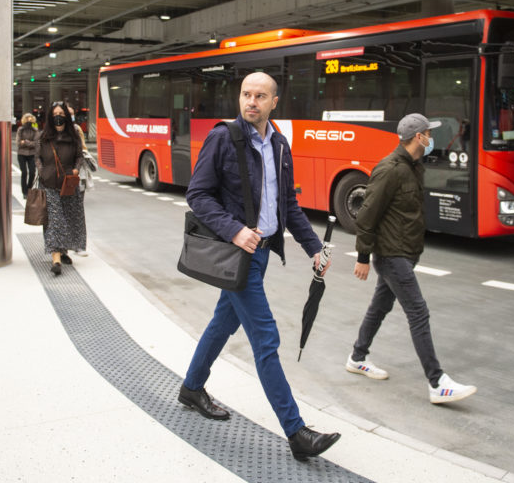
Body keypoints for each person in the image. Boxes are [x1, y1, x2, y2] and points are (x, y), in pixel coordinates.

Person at [179, 72, 341, 461]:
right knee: (266, 339)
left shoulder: (280, 145)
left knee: (223, 322)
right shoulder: (224, 137)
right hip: (238, 255)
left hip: (263, 253)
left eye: (260, 96)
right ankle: (296, 431)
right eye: (246, 95)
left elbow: (288, 205)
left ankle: (191, 387)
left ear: (274, 102)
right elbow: (197, 194)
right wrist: (234, 230)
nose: (251, 101)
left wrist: (314, 249)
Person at [346, 113, 477, 404]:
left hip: (406, 252)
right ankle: (437, 382)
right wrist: (363, 257)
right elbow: (366, 216)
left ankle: (357, 357)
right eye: (428, 134)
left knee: (379, 307)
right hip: (392, 256)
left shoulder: (414, 167)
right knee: (418, 313)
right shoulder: (390, 169)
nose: (431, 139)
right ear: (418, 137)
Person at [35, 101, 87, 276]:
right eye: (55, 113)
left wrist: (75, 169)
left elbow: (79, 156)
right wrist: (41, 171)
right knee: (55, 220)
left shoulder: (73, 137)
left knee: (69, 218)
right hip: (48, 184)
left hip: (68, 183)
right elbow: (38, 158)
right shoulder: (43, 137)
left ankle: (63, 252)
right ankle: (56, 260)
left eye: (62, 114)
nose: (58, 117)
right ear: (50, 116)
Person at [67, 103, 91, 257]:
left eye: (70, 113)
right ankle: (65, 245)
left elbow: (81, 151)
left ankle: (79, 245)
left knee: (76, 210)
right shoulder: (53, 131)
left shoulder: (75, 129)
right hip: (59, 177)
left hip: (76, 177)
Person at [16, 113, 39, 199]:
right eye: (27, 119)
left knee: (32, 172)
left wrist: (25, 142)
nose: (29, 121)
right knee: (24, 173)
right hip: (21, 154)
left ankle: (29, 189)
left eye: (30, 119)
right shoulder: (20, 130)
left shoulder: (35, 130)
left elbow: (36, 143)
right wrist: (30, 143)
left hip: (32, 154)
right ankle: (24, 192)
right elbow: (18, 143)